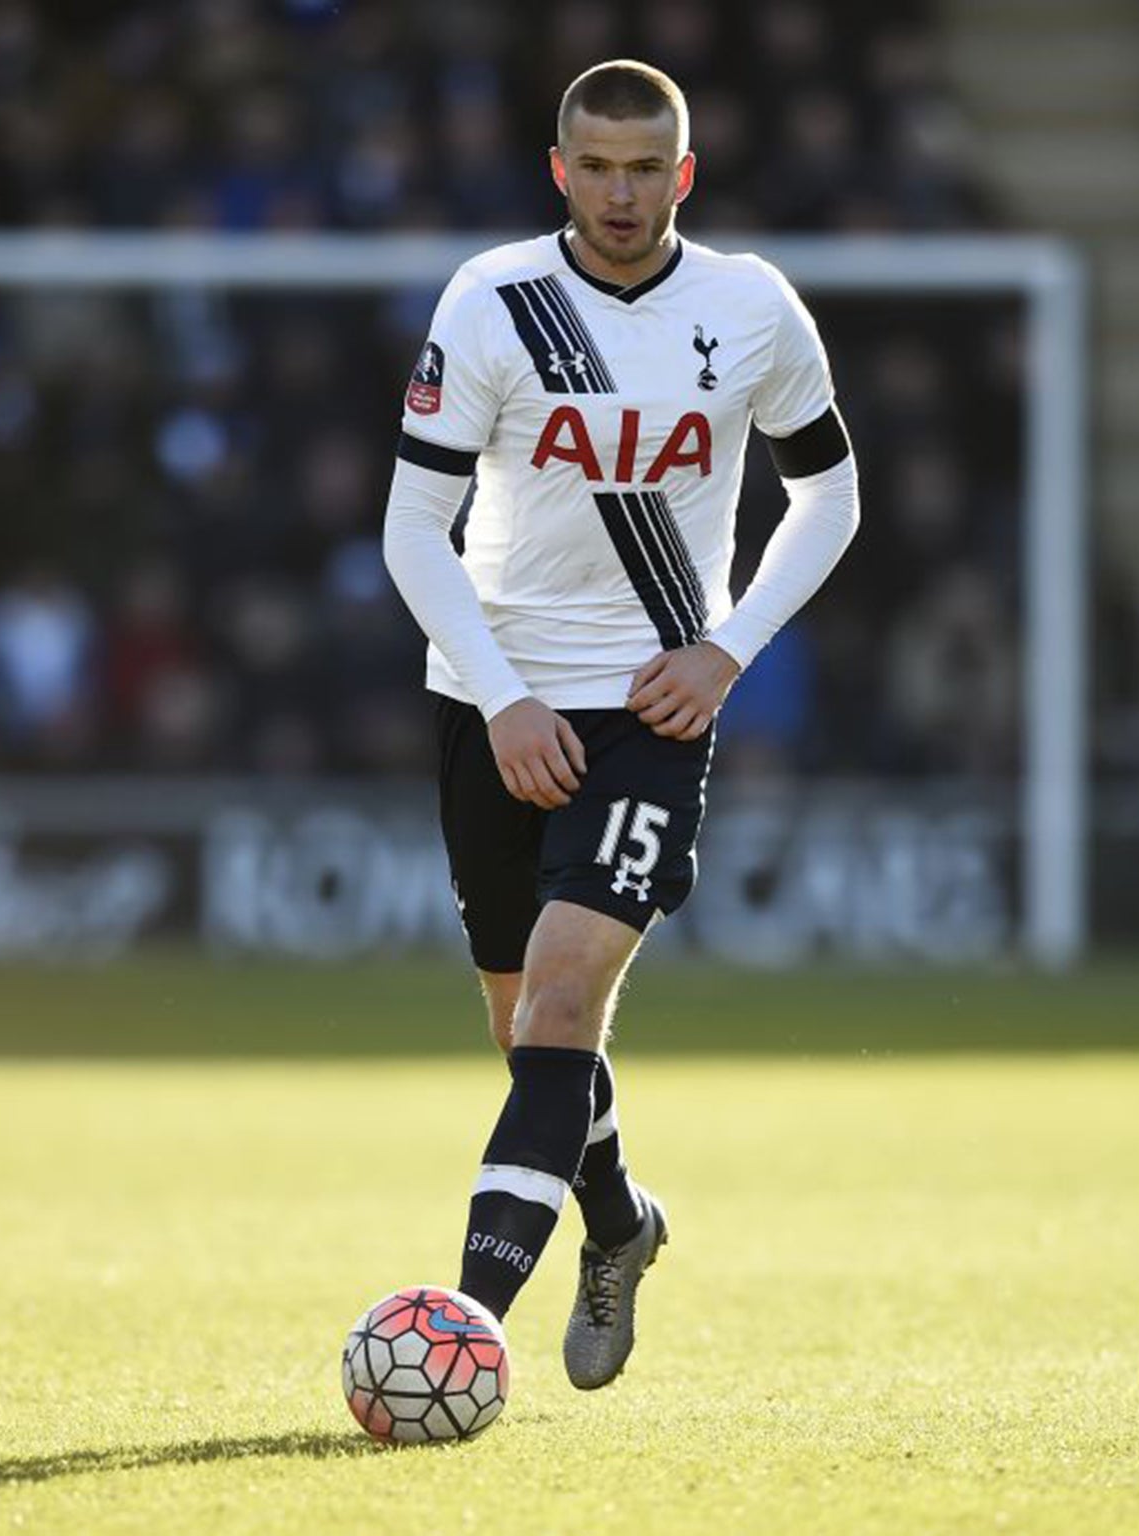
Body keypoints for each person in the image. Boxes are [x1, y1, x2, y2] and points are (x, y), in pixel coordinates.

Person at [380, 59, 860, 1390]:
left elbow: (830, 497)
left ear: (683, 175)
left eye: (646, 168)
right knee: (520, 1026)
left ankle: (462, 1329)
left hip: (655, 703)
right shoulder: (493, 300)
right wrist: (505, 697)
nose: (621, 192)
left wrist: (727, 650)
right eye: (596, 166)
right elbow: (412, 531)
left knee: (570, 989)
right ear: (559, 170)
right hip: (493, 691)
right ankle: (620, 1225)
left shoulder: (751, 306)